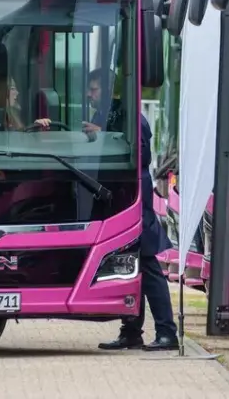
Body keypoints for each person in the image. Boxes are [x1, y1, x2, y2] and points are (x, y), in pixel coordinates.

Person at [35, 68, 179, 351]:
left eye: (94, 89)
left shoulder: (132, 117)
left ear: (111, 90)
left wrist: (103, 136)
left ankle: (167, 332)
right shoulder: (108, 116)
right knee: (131, 265)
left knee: (148, 265)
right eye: (89, 89)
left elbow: (141, 154)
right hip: (117, 197)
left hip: (135, 199)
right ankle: (131, 331)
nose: (89, 94)